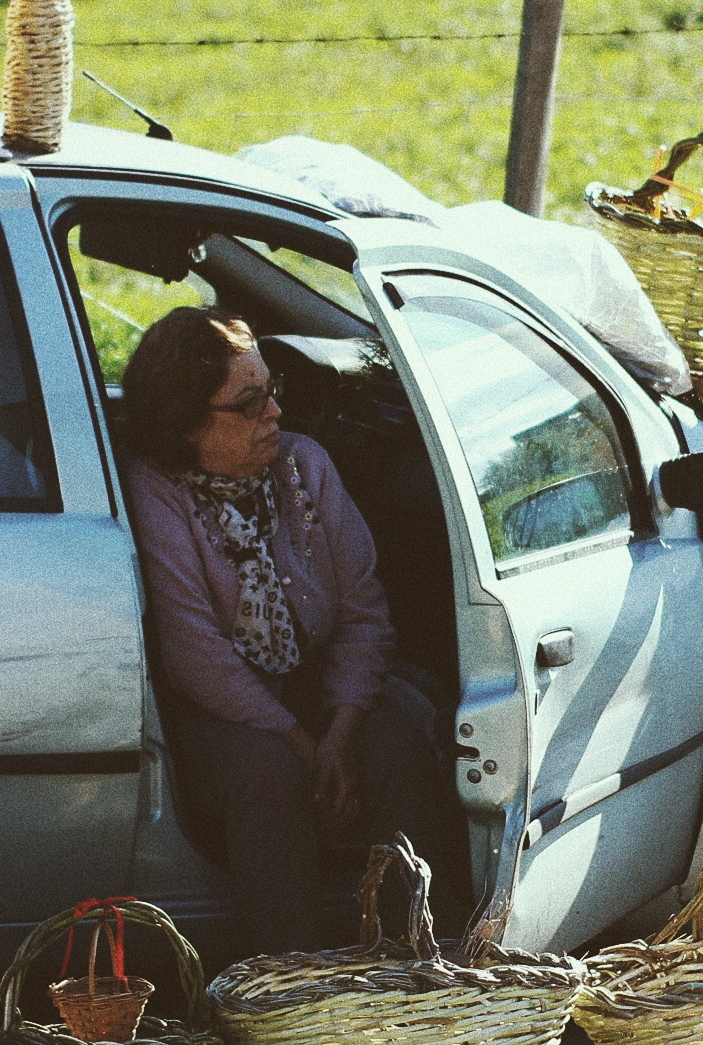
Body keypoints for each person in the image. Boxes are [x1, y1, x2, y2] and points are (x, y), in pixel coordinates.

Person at [121, 306, 463, 953]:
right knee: (266, 774)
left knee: (394, 746)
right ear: (188, 422)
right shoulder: (156, 492)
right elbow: (196, 656)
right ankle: (293, 981)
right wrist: (306, 748)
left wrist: (341, 730)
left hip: (310, 680)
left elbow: (364, 611)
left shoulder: (305, 466)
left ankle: (419, 959)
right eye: (250, 403)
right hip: (216, 704)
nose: (275, 413)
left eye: (273, 392)